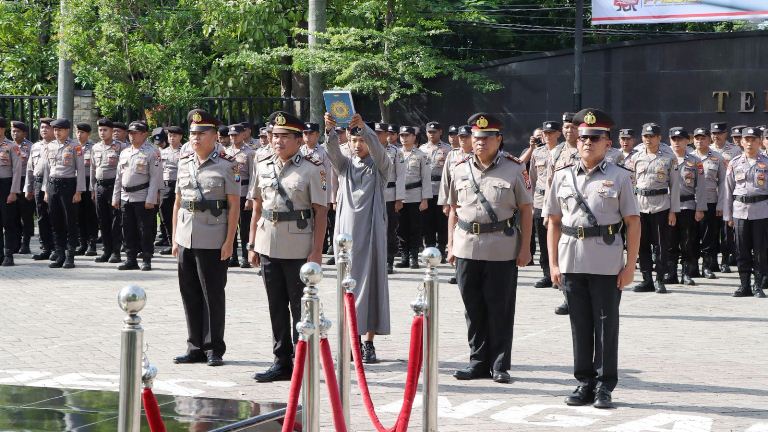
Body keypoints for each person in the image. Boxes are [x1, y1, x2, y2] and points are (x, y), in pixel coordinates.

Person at [543, 108, 640, 410]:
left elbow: (633, 223)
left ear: (607, 143)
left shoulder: (620, 177)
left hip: (606, 260)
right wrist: (554, 265)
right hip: (571, 259)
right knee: (579, 324)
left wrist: (630, 265)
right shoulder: (562, 177)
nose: (587, 142)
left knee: (606, 325)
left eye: (595, 138)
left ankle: (604, 385)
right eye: (583, 137)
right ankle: (583, 382)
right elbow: (554, 222)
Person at [446, 112, 533, 384]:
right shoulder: (459, 167)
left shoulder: (514, 168)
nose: (480, 142)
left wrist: (525, 247)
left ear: (499, 139)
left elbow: (526, 210)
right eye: (476, 138)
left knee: (500, 307)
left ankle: (499, 364)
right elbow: (453, 209)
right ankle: (478, 361)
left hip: (501, 247)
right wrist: (450, 244)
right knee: (472, 307)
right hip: (466, 246)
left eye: (486, 138)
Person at [247, 111, 328, 382]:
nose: (277, 142)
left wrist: (316, 251)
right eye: (274, 136)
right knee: (276, 305)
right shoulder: (263, 164)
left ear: (297, 139)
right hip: (268, 242)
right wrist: (251, 244)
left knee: (299, 305)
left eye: (284, 137)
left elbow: (320, 212)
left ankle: (302, 360)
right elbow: (257, 205)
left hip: (298, 246)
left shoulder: (312, 167)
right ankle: (281, 360)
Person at [172, 109, 240, 367]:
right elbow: (178, 202)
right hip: (186, 234)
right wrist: (175, 237)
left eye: (201, 133)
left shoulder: (227, 165)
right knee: (189, 292)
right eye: (192, 133)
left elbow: (234, 205)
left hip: (213, 236)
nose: (195, 138)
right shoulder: (184, 162)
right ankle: (194, 346)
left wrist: (229, 240)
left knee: (212, 293)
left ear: (214, 136)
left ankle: (214, 348)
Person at [324, 113, 391, 363]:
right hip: (347, 238)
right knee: (346, 287)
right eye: (353, 141)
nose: (357, 145)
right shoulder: (345, 167)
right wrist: (330, 131)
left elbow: (378, 152)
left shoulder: (380, 166)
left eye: (361, 140)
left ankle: (368, 343)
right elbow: (332, 153)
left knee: (371, 286)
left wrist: (364, 128)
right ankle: (349, 340)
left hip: (372, 235)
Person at [623, 123, 680, 294]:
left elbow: (675, 185)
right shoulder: (636, 157)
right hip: (640, 205)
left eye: (652, 136)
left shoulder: (669, 157)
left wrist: (673, 211)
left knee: (661, 244)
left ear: (659, 138)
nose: (649, 139)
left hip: (661, 205)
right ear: (642, 138)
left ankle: (660, 279)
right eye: (646, 136)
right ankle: (646, 279)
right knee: (642, 244)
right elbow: (630, 182)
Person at [722, 126, 768, 298]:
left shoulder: (766, 162)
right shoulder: (734, 163)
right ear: (741, 142)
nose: (749, 143)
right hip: (740, 211)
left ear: (760, 141)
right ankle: (744, 285)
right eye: (746, 140)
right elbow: (728, 190)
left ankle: (758, 285)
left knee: (761, 250)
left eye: (753, 140)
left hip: (762, 211)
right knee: (741, 250)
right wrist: (728, 215)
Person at [112, 121, 163, 271]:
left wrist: (151, 199)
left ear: (144, 134)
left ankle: (146, 258)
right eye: (130, 133)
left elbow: (155, 177)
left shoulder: (152, 152)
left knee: (145, 230)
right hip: (126, 196)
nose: (132, 136)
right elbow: (118, 177)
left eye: (135, 133)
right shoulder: (125, 152)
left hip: (143, 196)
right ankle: (130, 259)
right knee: (128, 229)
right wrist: (116, 197)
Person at [40, 119, 86, 269]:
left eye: (60, 130)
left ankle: (70, 256)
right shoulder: (50, 146)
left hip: (69, 186)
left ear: (67, 131)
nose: (57, 132)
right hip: (53, 185)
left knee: (70, 222)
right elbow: (47, 169)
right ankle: (59, 255)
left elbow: (80, 170)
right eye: (55, 130)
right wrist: (46, 190)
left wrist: (79, 191)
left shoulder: (75, 146)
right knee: (56, 221)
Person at [666, 127, 706, 286]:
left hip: (687, 205)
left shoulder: (695, 161)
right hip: (668, 207)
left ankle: (686, 273)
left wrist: (700, 208)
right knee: (670, 241)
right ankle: (671, 272)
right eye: (674, 139)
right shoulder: (666, 159)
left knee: (688, 241)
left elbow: (701, 186)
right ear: (670, 141)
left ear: (687, 141)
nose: (677, 142)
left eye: (680, 139)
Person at [438, 125, 474, 284]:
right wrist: (445, 202)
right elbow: (446, 180)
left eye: (466, 137)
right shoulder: (452, 155)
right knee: (454, 236)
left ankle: (468, 269)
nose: (462, 140)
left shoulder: (478, 155)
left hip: (471, 202)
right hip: (456, 203)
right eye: (460, 137)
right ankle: (457, 270)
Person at [691, 127, 726, 279]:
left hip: (711, 201)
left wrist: (721, 204)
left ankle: (707, 266)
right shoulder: (688, 157)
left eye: (703, 138)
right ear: (693, 140)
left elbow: (723, 182)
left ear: (709, 140)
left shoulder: (717, 157)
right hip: (691, 202)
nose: (700, 141)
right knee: (691, 236)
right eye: (697, 138)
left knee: (708, 237)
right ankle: (692, 267)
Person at [529, 120, 561, 288]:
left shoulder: (563, 152)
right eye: (545, 133)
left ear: (558, 134)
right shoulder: (538, 153)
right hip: (540, 200)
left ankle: (559, 272)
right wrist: (532, 201)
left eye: (550, 133)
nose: (547, 136)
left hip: (557, 201)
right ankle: (547, 273)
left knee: (558, 237)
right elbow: (532, 178)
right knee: (542, 238)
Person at [395, 126, 431, 269]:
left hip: (415, 195)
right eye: (402, 135)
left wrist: (425, 199)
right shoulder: (396, 154)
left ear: (414, 137)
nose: (404, 138)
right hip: (399, 196)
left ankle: (413, 257)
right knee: (401, 228)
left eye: (407, 135)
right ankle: (404, 256)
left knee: (415, 228)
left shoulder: (421, 155)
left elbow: (426, 178)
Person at [90, 118, 124, 263]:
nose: (102, 133)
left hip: (114, 187)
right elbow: (93, 169)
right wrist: (92, 188)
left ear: (111, 131)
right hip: (99, 187)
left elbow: (123, 170)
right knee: (102, 220)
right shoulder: (96, 147)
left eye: (105, 130)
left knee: (115, 221)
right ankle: (106, 250)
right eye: (100, 130)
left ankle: (116, 252)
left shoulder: (121, 147)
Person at [711, 121, 742, 272]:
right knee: (711, 231)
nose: (716, 136)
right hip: (710, 197)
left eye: (719, 133)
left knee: (726, 232)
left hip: (727, 197)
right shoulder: (707, 149)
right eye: (714, 133)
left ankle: (724, 260)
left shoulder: (735, 151)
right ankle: (712, 262)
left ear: (726, 134)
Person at [376, 122, 405, 274]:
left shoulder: (396, 152)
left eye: (381, 133)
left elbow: (401, 176)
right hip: (373, 195)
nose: (378, 135)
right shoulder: (368, 150)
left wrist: (399, 198)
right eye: (376, 132)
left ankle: (389, 260)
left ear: (387, 134)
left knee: (389, 229)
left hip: (390, 194)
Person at [225, 123, 255, 268]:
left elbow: (253, 177)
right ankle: (232, 256)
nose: (233, 137)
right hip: (230, 192)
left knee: (245, 227)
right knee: (230, 225)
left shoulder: (249, 153)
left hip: (243, 191)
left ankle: (245, 255)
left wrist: (250, 197)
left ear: (243, 135)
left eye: (235, 135)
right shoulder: (225, 152)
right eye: (231, 135)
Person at [25, 118, 55, 260]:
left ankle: (56, 247)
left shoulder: (57, 146)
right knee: (41, 216)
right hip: (37, 182)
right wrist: (28, 188)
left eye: (47, 127)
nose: (44, 130)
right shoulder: (35, 146)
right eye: (42, 127)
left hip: (53, 183)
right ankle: (45, 247)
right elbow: (30, 169)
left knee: (54, 215)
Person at [420, 121, 452, 260]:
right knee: (427, 221)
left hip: (442, 188)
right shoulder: (421, 149)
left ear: (440, 132)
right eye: (429, 132)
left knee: (442, 221)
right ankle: (430, 247)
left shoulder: (448, 149)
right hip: (426, 189)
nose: (432, 134)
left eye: (434, 131)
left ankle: (442, 248)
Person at [158, 125, 183, 255]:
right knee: (165, 213)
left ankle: (181, 241)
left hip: (180, 187)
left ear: (180, 137)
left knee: (181, 214)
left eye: (174, 136)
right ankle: (170, 241)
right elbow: (159, 171)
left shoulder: (185, 151)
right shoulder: (163, 152)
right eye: (170, 136)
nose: (172, 138)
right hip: (166, 186)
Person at [0, 117, 22, 266]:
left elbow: (17, 170)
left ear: (2, 129)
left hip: (6, 186)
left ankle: (9, 254)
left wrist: (13, 191)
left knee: (8, 221)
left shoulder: (12, 146)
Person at [10, 121, 33, 255]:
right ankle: (15, 243)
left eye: (17, 131)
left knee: (26, 215)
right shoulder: (9, 146)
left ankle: (26, 243)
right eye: (13, 131)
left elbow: (32, 168)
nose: (14, 133)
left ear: (24, 133)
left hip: (25, 182)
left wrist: (30, 187)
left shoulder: (30, 147)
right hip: (11, 182)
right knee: (13, 215)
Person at [75, 122, 98, 256]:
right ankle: (82, 243)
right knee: (78, 215)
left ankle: (92, 244)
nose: (79, 135)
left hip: (89, 182)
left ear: (88, 134)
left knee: (90, 215)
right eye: (78, 132)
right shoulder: (73, 147)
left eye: (82, 132)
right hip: (77, 183)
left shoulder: (93, 148)